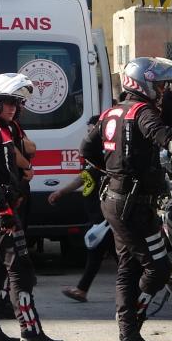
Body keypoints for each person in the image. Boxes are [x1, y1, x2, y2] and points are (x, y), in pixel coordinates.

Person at [81, 57, 172, 341]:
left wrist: (112, 171)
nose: (160, 90)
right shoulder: (142, 112)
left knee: (128, 267)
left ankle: (129, 337)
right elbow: (165, 137)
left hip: (116, 201)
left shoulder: (112, 112)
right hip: (134, 205)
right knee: (158, 268)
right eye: (156, 84)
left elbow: (85, 149)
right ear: (140, 84)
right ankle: (130, 328)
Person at [0, 73, 65, 341]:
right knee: (19, 268)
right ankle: (31, 333)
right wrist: (4, 211)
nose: (12, 107)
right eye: (6, 101)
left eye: (16, 102)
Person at [56, 116, 107, 303]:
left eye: (92, 129)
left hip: (104, 211)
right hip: (95, 210)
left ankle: (82, 289)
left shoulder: (107, 152)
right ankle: (82, 289)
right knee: (102, 251)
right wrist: (61, 192)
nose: (88, 133)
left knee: (99, 250)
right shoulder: (93, 153)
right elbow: (83, 177)